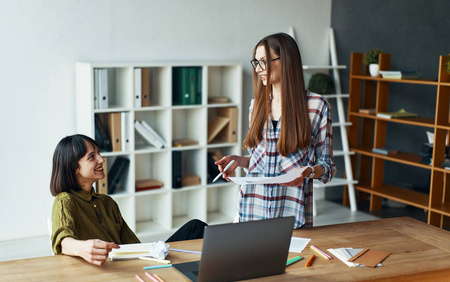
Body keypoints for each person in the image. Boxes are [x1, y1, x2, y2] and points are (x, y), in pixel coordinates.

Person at [215, 33, 336, 229]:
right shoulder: (256, 106)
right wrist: (239, 160)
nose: (258, 69)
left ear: (286, 60)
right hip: (250, 210)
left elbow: (328, 168)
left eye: (264, 61)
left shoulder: (317, 106)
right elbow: (260, 160)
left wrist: (308, 171)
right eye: (256, 62)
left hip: (292, 216)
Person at [50, 134, 207, 265]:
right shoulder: (65, 201)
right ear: (74, 168)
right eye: (92, 157)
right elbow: (63, 240)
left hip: (131, 265)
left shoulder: (107, 202)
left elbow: (134, 246)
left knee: (196, 227)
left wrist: (156, 253)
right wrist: (81, 248)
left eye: (99, 153)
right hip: (106, 272)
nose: (101, 159)